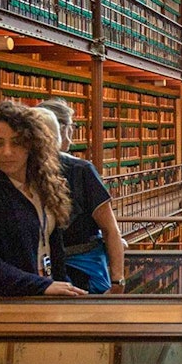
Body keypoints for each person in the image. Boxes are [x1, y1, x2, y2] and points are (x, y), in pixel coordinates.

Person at [0, 100, 87, 297]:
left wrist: (63, 286)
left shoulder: (43, 186)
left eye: (17, 142)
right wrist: (41, 286)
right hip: (7, 305)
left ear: (32, 144)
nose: (7, 152)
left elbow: (55, 250)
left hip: (48, 295)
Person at [35, 100, 125, 294]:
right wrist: (118, 280)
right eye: (72, 127)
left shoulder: (22, 170)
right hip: (82, 270)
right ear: (60, 129)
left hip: (42, 271)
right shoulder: (81, 170)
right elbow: (110, 229)